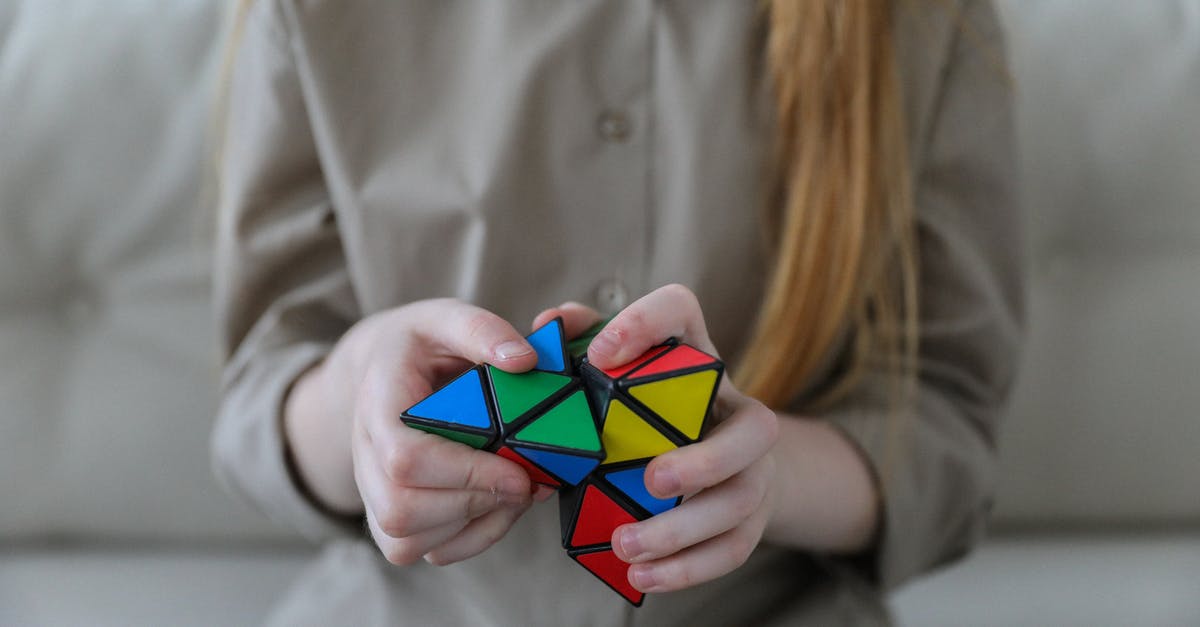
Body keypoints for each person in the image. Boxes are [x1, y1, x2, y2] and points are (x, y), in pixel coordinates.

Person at [213, 1, 1022, 624]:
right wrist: (357, 386)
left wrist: (763, 477)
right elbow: (257, 402)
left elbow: (944, 424)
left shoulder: (920, 21)